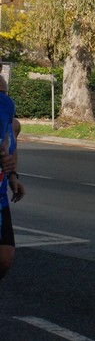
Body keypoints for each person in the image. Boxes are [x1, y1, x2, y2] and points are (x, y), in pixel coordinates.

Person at [0, 77, 22, 280]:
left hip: (0, 197)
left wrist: (13, 176)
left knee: (5, 257)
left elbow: (11, 151)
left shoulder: (13, 124)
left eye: (5, 93)